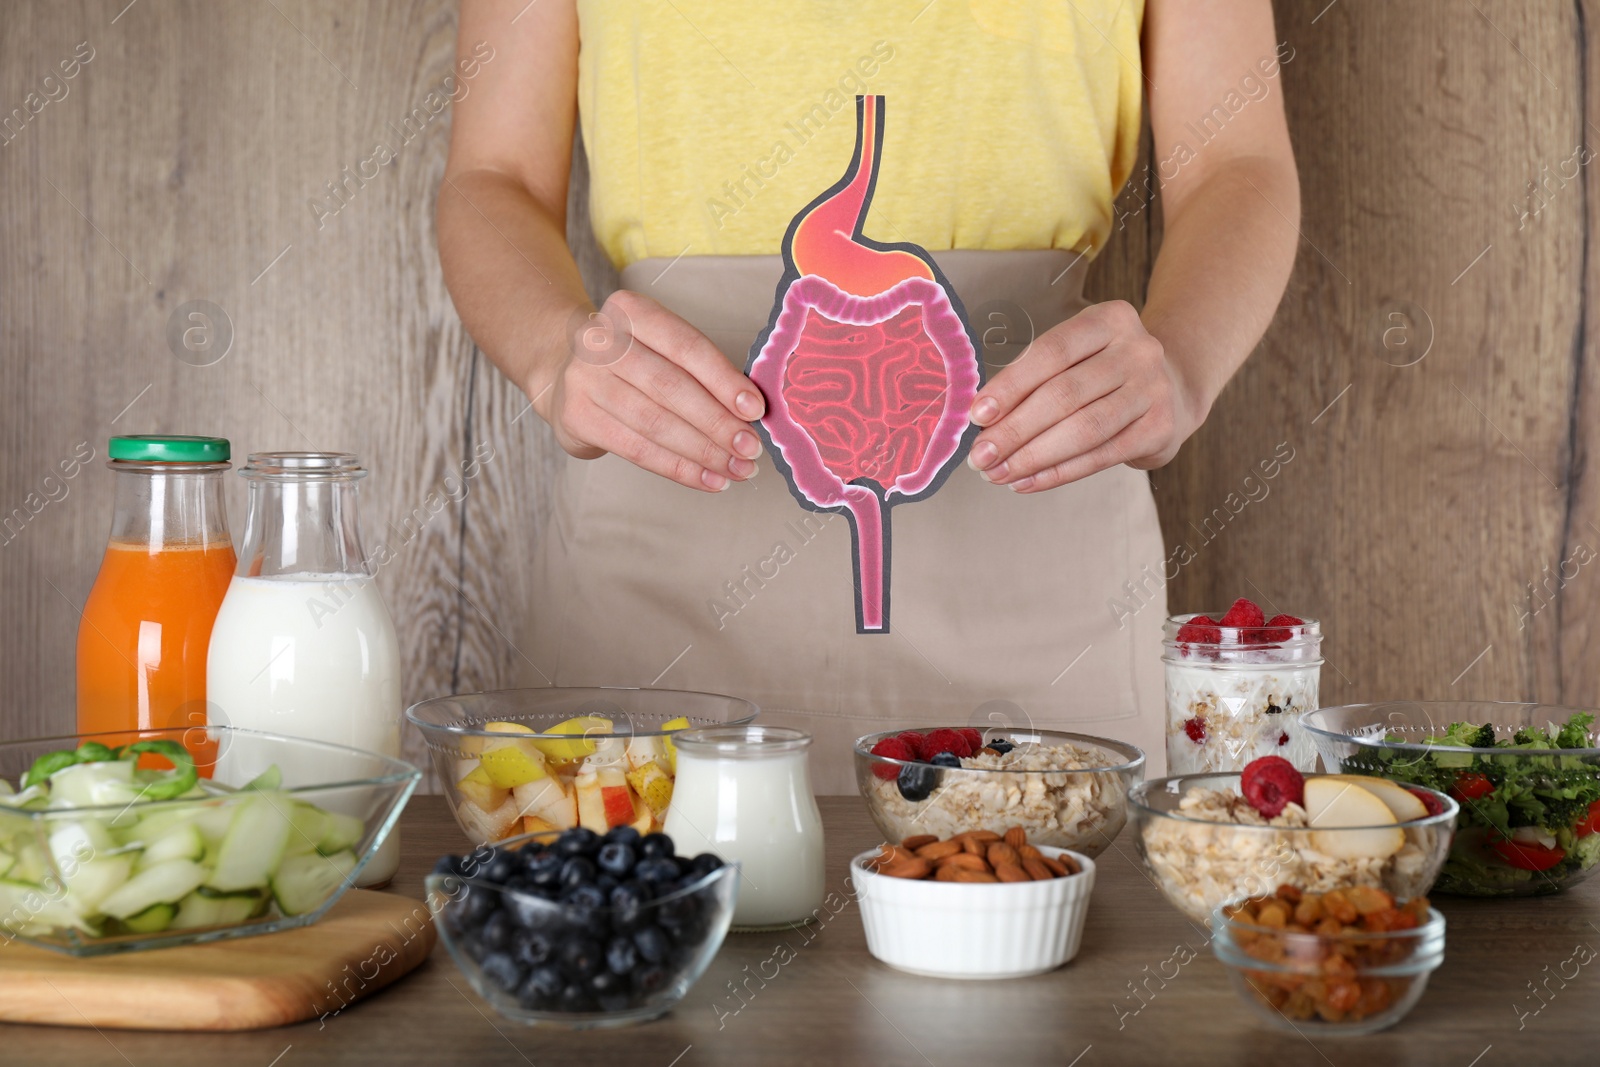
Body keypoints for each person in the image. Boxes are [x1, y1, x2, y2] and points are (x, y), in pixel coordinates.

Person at [437, 0, 1299, 791]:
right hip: (657, 553)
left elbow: (1240, 158)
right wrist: (558, 354)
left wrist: (1180, 360)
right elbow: (494, 174)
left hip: (1040, 539)